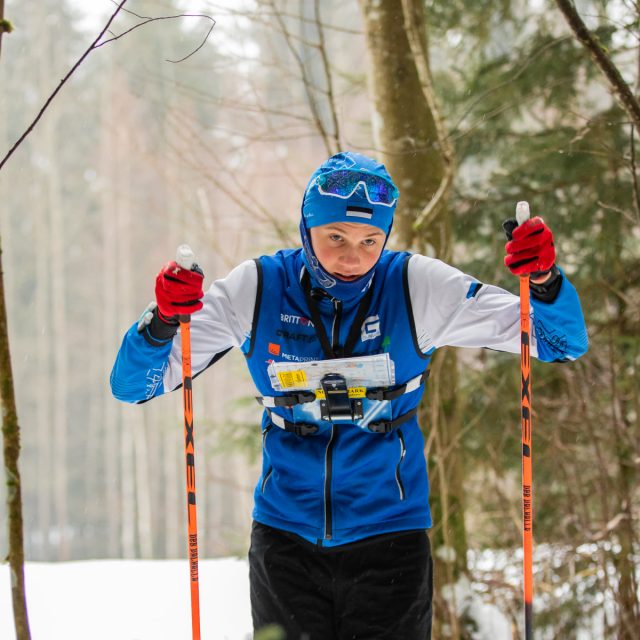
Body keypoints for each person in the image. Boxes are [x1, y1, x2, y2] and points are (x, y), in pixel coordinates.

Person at [111, 151, 588, 639]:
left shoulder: (415, 286)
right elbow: (134, 386)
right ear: (306, 228)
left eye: (369, 240)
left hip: (390, 540)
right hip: (285, 542)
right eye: (335, 236)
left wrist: (546, 283)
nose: (352, 257)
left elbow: (558, 343)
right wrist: (163, 323)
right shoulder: (257, 288)